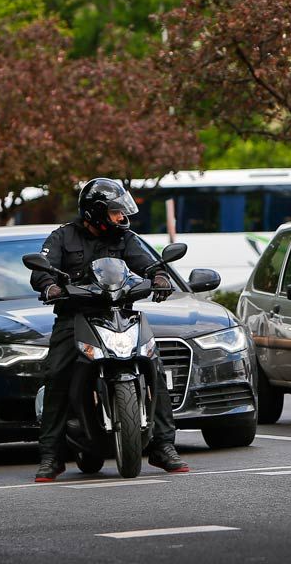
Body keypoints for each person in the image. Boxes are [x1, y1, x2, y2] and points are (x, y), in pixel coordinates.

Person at [28, 177, 189, 481]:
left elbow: (149, 262)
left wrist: (159, 277)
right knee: (57, 374)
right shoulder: (63, 237)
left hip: (120, 312)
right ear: (96, 212)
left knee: (153, 365)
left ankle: (162, 446)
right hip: (76, 316)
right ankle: (52, 455)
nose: (121, 217)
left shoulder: (124, 237)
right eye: (115, 212)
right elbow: (41, 269)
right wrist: (49, 286)